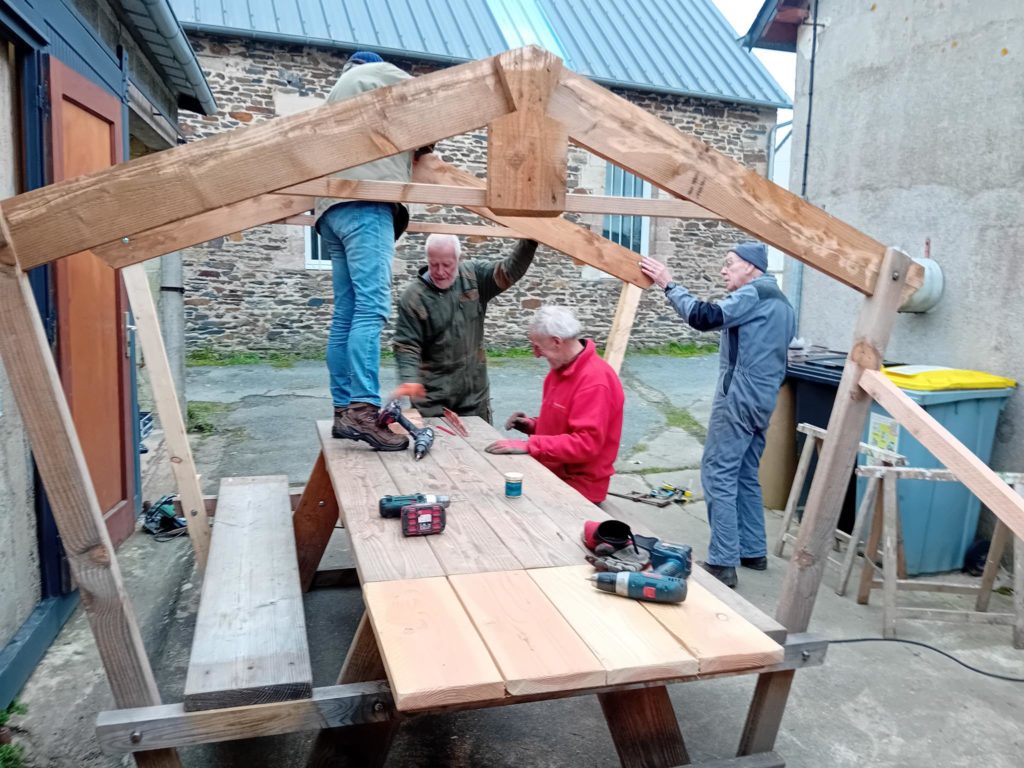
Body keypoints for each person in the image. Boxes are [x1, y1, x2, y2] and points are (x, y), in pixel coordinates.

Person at [640, 242, 795, 588]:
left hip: (737, 399)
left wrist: (668, 283)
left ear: (751, 267)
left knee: (718, 473)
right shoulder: (784, 303)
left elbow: (704, 316)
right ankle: (753, 551)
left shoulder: (753, 294)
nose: (723, 270)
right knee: (745, 473)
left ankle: (723, 561)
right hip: (764, 400)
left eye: (730, 264)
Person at [316, 50, 420, 451]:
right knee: (371, 310)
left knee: (345, 313)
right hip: (366, 201)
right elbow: (430, 100)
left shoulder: (334, 97)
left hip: (330, 210)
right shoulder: (379, 72)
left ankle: (343, 411)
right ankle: (363, 409)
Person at [392, 234, 538, 422]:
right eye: (434, 265)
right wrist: (409, 378)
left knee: (480, 440)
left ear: (459, 259)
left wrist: (530, 241)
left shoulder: (474, 277)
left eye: (447, 265)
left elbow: (508, 272)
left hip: (474, 398)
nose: (440, 272)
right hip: (432, 401)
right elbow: (406, 344)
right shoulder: (414, 297)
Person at [486, 305, 625, 505]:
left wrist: (531, 445)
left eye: (537, 347)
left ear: (557, 341)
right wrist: (533, 425)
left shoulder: (595, 382)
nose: (536, 354)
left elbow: (586, 444)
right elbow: (566, 424)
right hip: (553, 475)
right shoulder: (560, 371)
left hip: (579, 488)